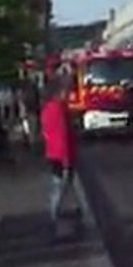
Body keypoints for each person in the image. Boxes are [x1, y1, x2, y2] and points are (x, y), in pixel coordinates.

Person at [40, 78, 88, 239]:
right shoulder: (59, 110)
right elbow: (62, 136)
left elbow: (48, 134)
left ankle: (75, 211)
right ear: (58, 93)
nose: (67, 95)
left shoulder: (47, 109)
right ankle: (54, 216)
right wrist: (66, 159)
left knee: (64, 186)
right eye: (65, 92)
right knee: (60, 188)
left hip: (52, 154)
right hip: (62, 156)